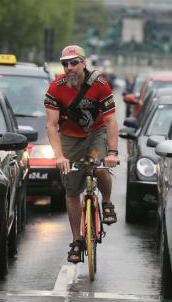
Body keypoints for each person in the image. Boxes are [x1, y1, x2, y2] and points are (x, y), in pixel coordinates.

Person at [44, 45, 119, 264]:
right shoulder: (55, 88)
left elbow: (111, 120)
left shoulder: (100, 84)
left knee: (100, 167)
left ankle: (106, 203)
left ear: (83, 63)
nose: (69, 68)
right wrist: (59, 156)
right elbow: (51, 125)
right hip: (69, 137)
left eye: (74, 62)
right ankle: (77, 240)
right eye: (65, 64)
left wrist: (113, 152)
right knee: (71, 190)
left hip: (95, 134)